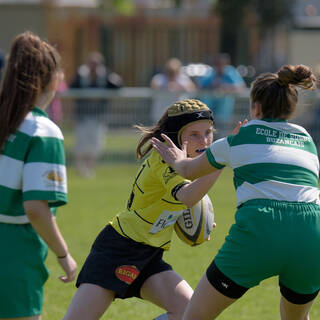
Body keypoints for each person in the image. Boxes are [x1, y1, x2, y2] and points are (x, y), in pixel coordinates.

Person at [152, 64, 320, 320]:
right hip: (312, 232)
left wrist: (177, 159)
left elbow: (189, 171)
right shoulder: (306, 139)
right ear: (291, 108)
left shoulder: (239, 137)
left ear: (256, 108)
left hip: (262, 228)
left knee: (195, 317)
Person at [63, 99, 223, 320]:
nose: (204, 141)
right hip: (118, 249)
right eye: (194, 134)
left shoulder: (189, 166)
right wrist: (221, 160)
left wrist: (199, 223)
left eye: (208, 132)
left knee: (190, 313)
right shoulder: (165, 160)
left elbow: (176, 205)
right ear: (176, 136)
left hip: (149, 254)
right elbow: (187, 196)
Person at [0, 31, 77, 319]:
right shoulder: (42, 131)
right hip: (12, 250)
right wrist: (63, 254)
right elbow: (35, 208)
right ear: (53, 78)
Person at [70, 51, 123, 177]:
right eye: (91, 63)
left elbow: (118, 85)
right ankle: (79, 168)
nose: (93, 66)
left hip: (98, 117)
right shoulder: (81, 74)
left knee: (96, 143)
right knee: (81, 143)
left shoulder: (106, 75)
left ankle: (90, 169)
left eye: (96, 64)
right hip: (82, 116)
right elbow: (72, 87)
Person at [197, 53, 246, 136]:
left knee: (223, 132)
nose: (220, 66)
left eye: (222, 64)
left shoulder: (231, 72)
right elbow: (200, 86)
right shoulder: (212, 72)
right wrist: (212, 86)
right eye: (218, 64)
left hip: (224, 111)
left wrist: (226, 87)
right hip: (210, 111)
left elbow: (241, 86)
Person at [150, 58, 196, 123]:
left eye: (174, 71)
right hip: (161, 113)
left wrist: (179, 87)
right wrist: (166, 86)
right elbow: (154, 87)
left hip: (179, 113)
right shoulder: (159, 79)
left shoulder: (184, 79)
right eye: (170, 71)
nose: (172, 74)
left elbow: (192, 90)